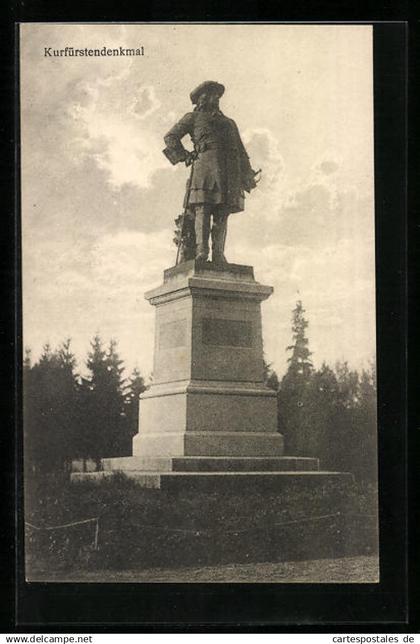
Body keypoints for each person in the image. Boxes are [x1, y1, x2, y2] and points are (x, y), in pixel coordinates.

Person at [163, 81, 259, 263]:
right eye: (212, 94)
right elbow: (170, 137)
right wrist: (184, 156)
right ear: (202, 98)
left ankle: (218, 253)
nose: (216, 98)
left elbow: (240, 150)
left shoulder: (229, 123)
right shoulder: (192, 118)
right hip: (205, 167)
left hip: (229, 171)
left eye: (218, 95)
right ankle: (202, 251)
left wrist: (247, 174)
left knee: (223, 212)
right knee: (203, 208)